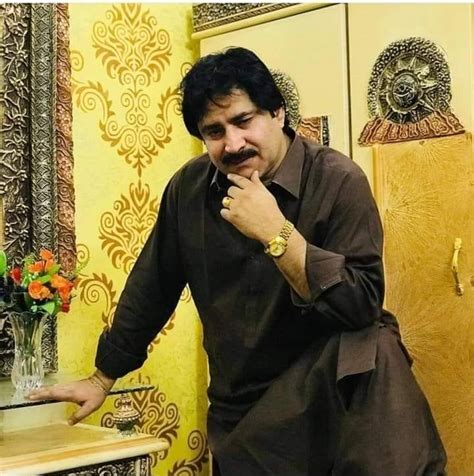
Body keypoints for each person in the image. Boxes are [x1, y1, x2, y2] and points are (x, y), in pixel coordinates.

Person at [29, 47, 446, 475]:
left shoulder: (338, 180)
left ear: (278, 113)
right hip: (245, 416)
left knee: (377, 343)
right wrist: (102, 378)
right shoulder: (189, 189)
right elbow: (153, 286)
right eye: (214, 131)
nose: (233, 144)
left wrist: (277, 234)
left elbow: (361, 305)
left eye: (244, 121)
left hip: (331, 409)